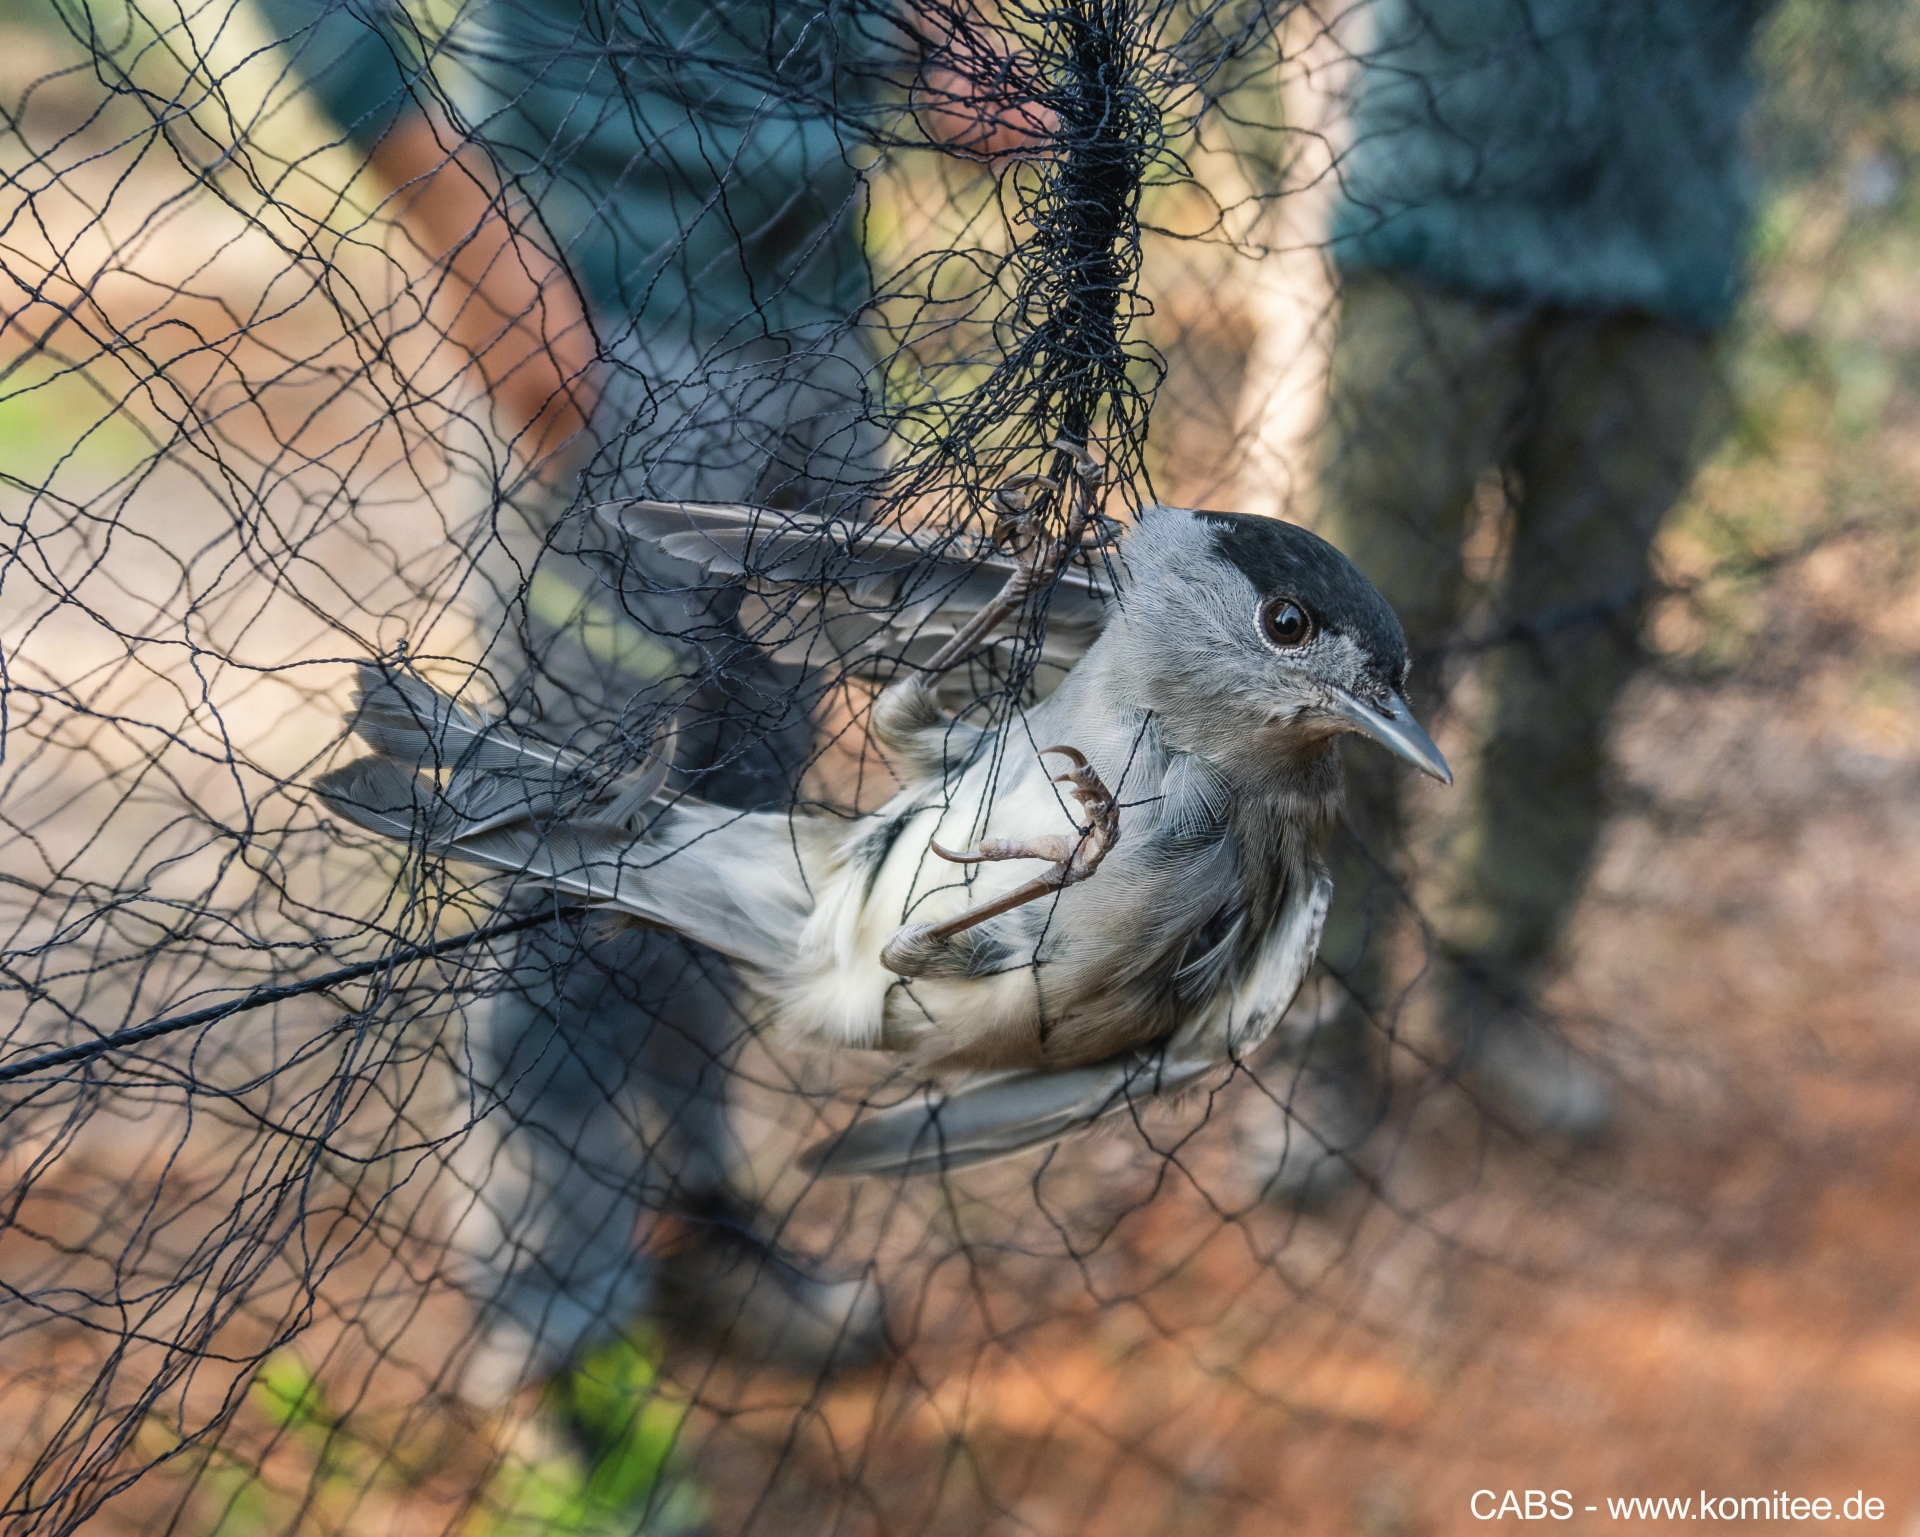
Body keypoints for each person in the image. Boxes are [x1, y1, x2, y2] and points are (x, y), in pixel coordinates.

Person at [256, 0, 1046, 1416]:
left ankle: (685, 1222)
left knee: (739, 820)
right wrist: (468, 227)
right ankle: (557, 1340)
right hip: (601, 311)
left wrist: (931, 38)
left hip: (820, 319)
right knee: (571, 847)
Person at [1239, 0, 1772, 1203]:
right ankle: (1316, 1029)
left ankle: (1492, 986)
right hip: (1440, 207)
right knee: (1344, 659)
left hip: (1661, 233)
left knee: (1577, 656)